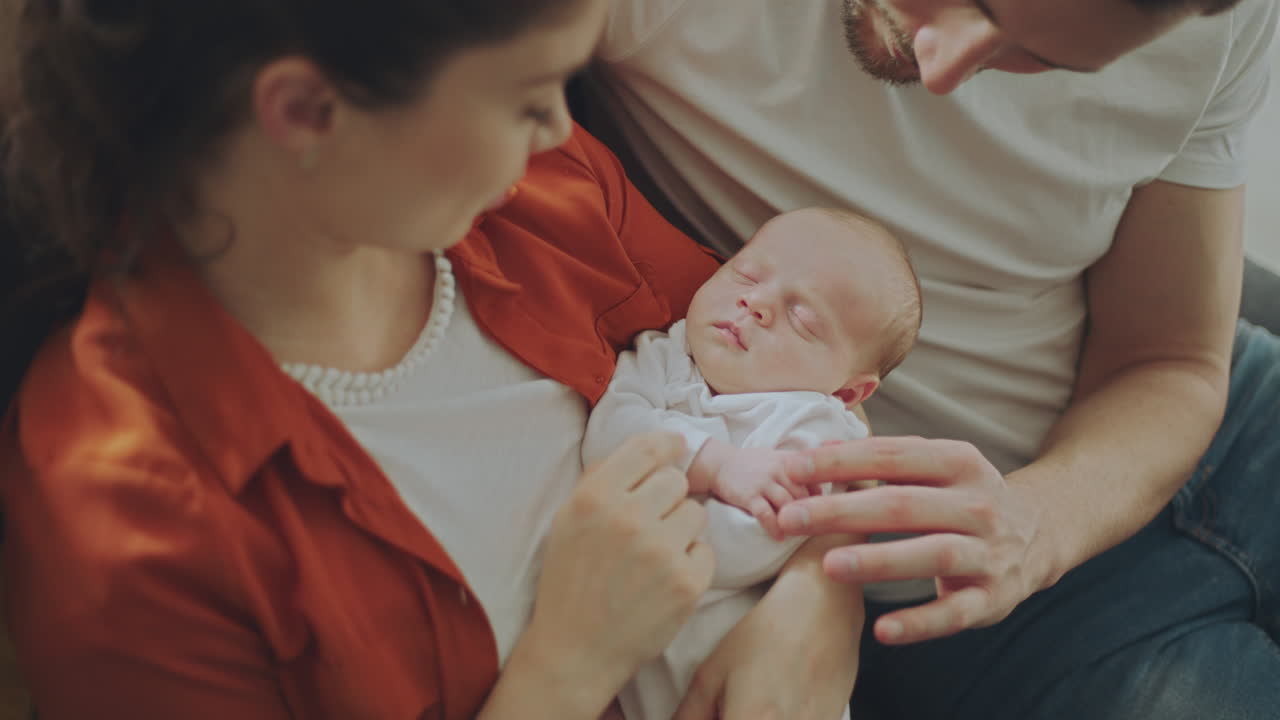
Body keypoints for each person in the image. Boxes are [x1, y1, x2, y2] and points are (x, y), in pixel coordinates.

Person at [0, 1, 865, 719]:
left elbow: (797, 391)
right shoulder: (124, 531)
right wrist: (567, 667)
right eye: (527, 99)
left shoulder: (545, 192)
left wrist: (816, 598)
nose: (561, 128)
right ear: (306, 113)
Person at [579, 0, 1280, 717]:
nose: (942, 71)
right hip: (977, 615)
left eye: (1041, 61)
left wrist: (1036, 523)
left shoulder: (1225, 19)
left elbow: (1171, 358)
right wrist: (825, 575)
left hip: (1207, 432)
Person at [582, 207, 921, 720]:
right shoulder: (665, 352)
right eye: (747, 272)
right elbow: (607, 440)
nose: (756, 302)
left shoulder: (818, 429)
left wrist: (660, 471)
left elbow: (740, 549)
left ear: (848, 391)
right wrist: (716, 465)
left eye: (804, 319)